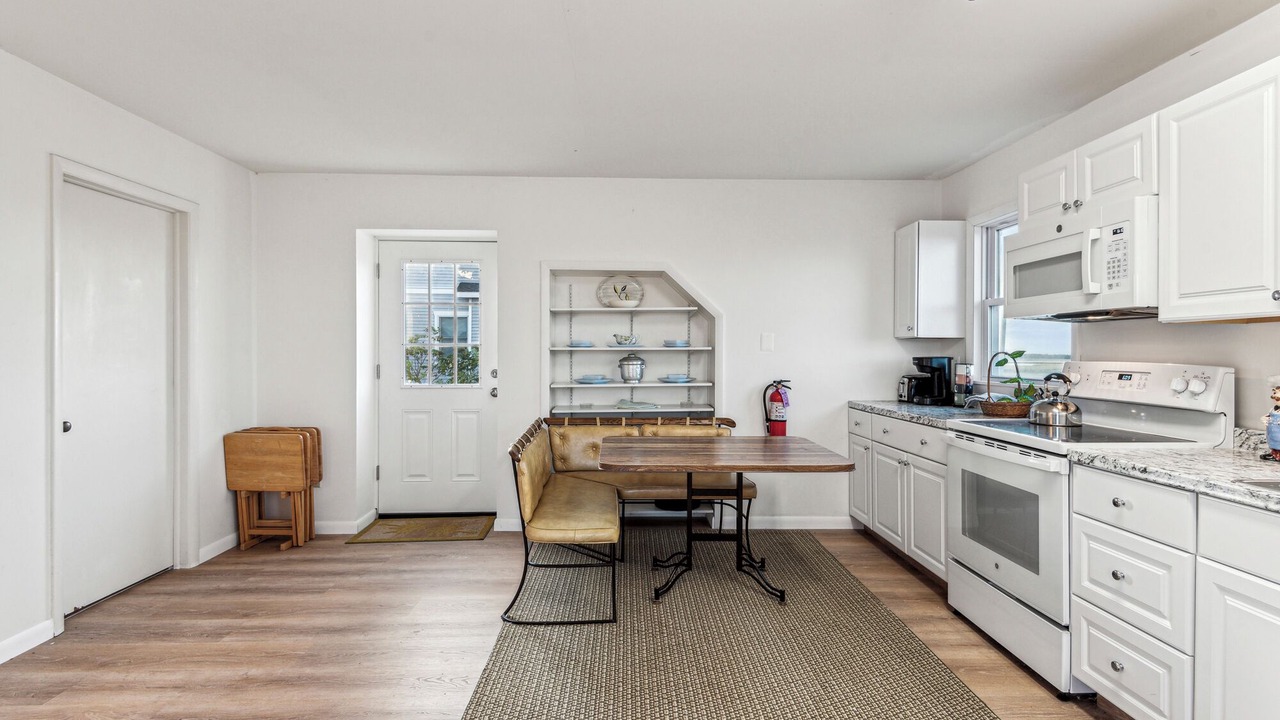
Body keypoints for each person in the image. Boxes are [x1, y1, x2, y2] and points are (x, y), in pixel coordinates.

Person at [1263, 375, 1280, 462]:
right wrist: (1265, 418)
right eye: (1274, 393)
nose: (1274, 396)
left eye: (1276, 393)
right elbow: (1269, 415)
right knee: (1274, 442)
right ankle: (1274, 453)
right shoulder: (1273, 409)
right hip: (1273, 435)